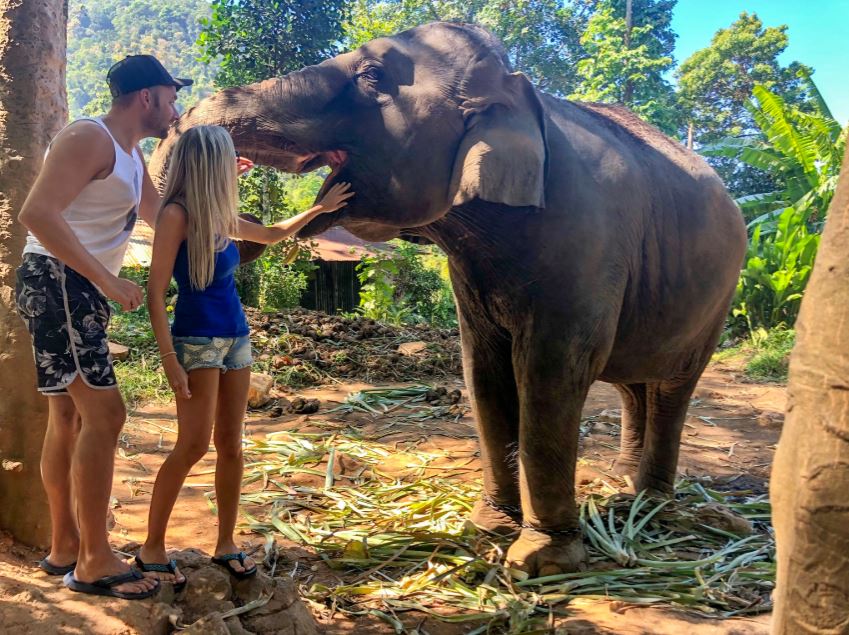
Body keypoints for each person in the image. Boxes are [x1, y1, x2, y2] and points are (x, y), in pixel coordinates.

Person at [135, 125, 353, 589]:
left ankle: (226, 542)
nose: (230, 168)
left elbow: (272, 234)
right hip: (196, 341)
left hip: (237, 339)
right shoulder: (177, 215)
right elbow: (155, 294)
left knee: (232, 444)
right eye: (225, 160)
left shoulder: (219, 213)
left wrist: (321, 207)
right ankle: (151, 546)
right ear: (207, 164)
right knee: (192, 446)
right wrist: (170, 359)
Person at [15, 55, 192, 600]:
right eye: (170, 96)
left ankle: (67, 546)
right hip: (59, 281)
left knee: (68, 413)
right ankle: (93, 560)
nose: (175, 108)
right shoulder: (88, 137)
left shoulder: (131, 157)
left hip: (73, 287)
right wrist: (106, 280)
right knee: (105, 412)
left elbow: (163, 217)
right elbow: (37, 214)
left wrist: (212, 181)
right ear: (147, 97)